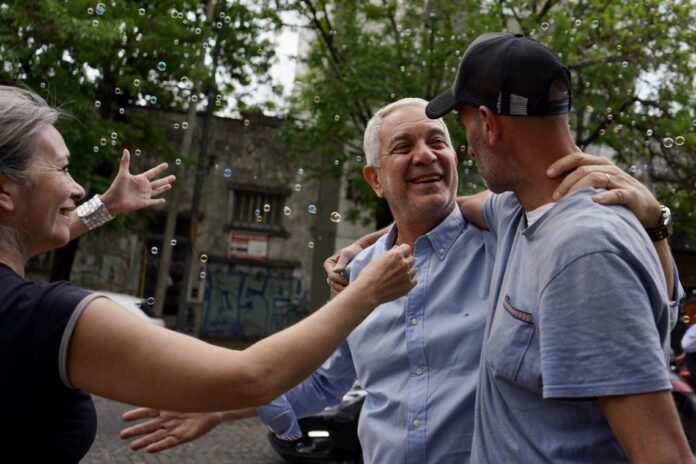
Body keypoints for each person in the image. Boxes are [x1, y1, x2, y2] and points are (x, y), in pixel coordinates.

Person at [119, 98, 672, 461]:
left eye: (438, 141)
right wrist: (221, 405)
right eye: (403, 147)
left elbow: (649, 312)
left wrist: (655, 224)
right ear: (375, 179)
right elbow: (321, 383)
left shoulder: (512, 239)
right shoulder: (359, 278)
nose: (425, 155)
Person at [0, 84, 416, 463]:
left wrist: (105, 207)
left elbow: (37, 232)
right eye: (62, 169)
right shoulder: (45, 316)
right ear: (5, 190)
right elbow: (253, 377)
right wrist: (365, 293)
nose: (77, 188)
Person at [424, 32, 691, 462]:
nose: (467, 145)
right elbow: (458, 207)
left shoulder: (584, 252)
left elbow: (664, 456)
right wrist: (369, 243)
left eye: (465, 126)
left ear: (489, 124)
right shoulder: (518, 207)